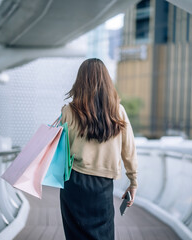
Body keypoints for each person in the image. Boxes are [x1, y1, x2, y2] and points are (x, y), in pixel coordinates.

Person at [59, 58, 138, 240]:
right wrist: (133, 181)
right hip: (103, 185)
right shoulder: (118, 112)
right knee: (103, 234)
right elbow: (129, 150)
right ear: (106, 82)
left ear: (80, 81)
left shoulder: (69, 111)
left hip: (74, 181)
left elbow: (61, 149)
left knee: (75, 235)